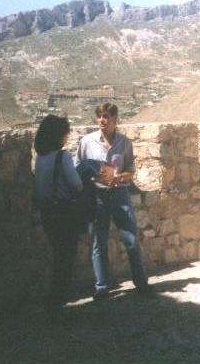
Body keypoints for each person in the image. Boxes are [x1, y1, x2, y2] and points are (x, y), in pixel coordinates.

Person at [78, 102, 153, 299]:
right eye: (100, 116)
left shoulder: (125, 143)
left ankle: (141, 283)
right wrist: (94, 178)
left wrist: (119, 177)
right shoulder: (86, 142)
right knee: (98, 242)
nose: (102, 120)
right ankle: (102, 287)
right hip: (97, 196)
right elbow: (80, 169)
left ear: (115, 119)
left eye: (106, 116)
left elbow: (131, 171)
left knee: (131, 240)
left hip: (120, 194)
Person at [33, 114, 84, 310]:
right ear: (58, 135)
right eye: (65, 133)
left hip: (48, 213)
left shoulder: (40, 158)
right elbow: (77, 185)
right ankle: (57, 303)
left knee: (59, 256)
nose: (67, 137)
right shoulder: (63, 157)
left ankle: (55, 302)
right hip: (64, 214)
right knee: (66, 260)